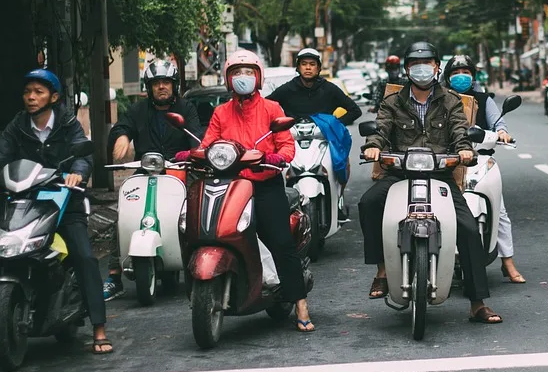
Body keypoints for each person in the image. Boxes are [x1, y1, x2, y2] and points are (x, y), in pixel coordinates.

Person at [358, 41, 502, 324]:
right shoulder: (393, 101)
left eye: (427, 64)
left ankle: (477, 303)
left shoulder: (450, 100)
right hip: (399, 173)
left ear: (437, 67)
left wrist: (464, 150)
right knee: (368, 202)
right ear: (407, 69)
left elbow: (460, 131)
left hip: (440, 175)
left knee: (470, 230)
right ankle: (382, 271)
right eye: (414, 65)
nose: (421, 69)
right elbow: (381, 129)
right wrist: (373, 146)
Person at [178, 50, 315, 332]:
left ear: (258, 77)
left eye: (248, 72)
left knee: (280, 240)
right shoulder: (221, 112)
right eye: (237, 73)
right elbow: (208, 144)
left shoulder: (272, 109)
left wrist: (278, 157)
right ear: (229, 79)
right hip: (229, 185)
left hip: (264, 184)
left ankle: (300, 302)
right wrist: (192, 154)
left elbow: (286, 145)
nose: (243, 78)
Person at [0, 70, 113, 353]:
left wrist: (77, 173)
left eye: (38, 91)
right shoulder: (17, 126)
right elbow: (3, 154)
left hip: (64, 201)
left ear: (54, 97)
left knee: (84, 256)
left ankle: (99, 327)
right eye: (28, 91)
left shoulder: (66, 122)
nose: (31, 97)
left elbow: (84, 155)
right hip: (24, 201)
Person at [103, 59, 201, 301]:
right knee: (122, 212)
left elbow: (196, 137)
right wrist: (122, 137)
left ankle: (197, 261)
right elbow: (121, 127)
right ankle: (115, 276)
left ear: (173, 85)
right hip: (144, 173)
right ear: (149, 87)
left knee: (195, 210)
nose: (161, 87)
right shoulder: (138, 110)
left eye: (166, 82)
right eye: (156, 83)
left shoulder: (186, 108)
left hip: (178, 170)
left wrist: (192, 154)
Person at [443, 55, 525, 284]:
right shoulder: (441, 99)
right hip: (448, 162)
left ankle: (507, 262)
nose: (461, 77)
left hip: (480, 160)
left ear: (473, 76)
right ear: (447, 77)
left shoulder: (483, 99)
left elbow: (498, 123)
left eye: (466, 72)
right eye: (456, 73)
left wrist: (502, 133)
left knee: (500, 211)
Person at [267, 48, 361, 124]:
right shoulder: (287, 89)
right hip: (293, 141)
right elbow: (264, 107)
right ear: (298, 68)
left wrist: (334, 125)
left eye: (312, 64)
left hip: (324, 140)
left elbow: (355, 111)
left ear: (318, 68)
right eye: (304, 64)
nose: (308, 67)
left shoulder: (330, 89)